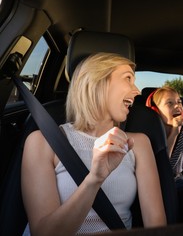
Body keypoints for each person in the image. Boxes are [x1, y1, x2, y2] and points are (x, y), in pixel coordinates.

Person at [21, 53, 166, 235]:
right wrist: (94, 179)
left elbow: (157, 226)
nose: (137, 90)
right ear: (97, 82)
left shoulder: (138, 144)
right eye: (128, 78)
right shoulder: (42, 142)